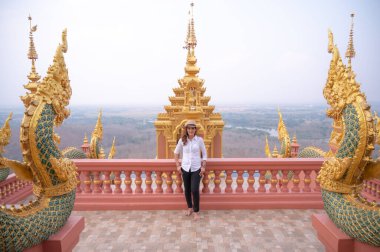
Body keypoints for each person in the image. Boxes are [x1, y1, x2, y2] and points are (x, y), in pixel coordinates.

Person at [174, 120, 207, 220]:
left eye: (192, 128)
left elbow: (204, 154)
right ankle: (190, 208)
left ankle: (196, 211)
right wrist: (177, 165)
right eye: (189, 128)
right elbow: (176, 153)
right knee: (187, 189)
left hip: (196, 168)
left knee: (194, 189)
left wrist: (203, 166)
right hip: (185, 168)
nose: (191, 130)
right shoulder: (182, 140)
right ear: (186, 129)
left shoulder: (199, 140)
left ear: (195, 129)